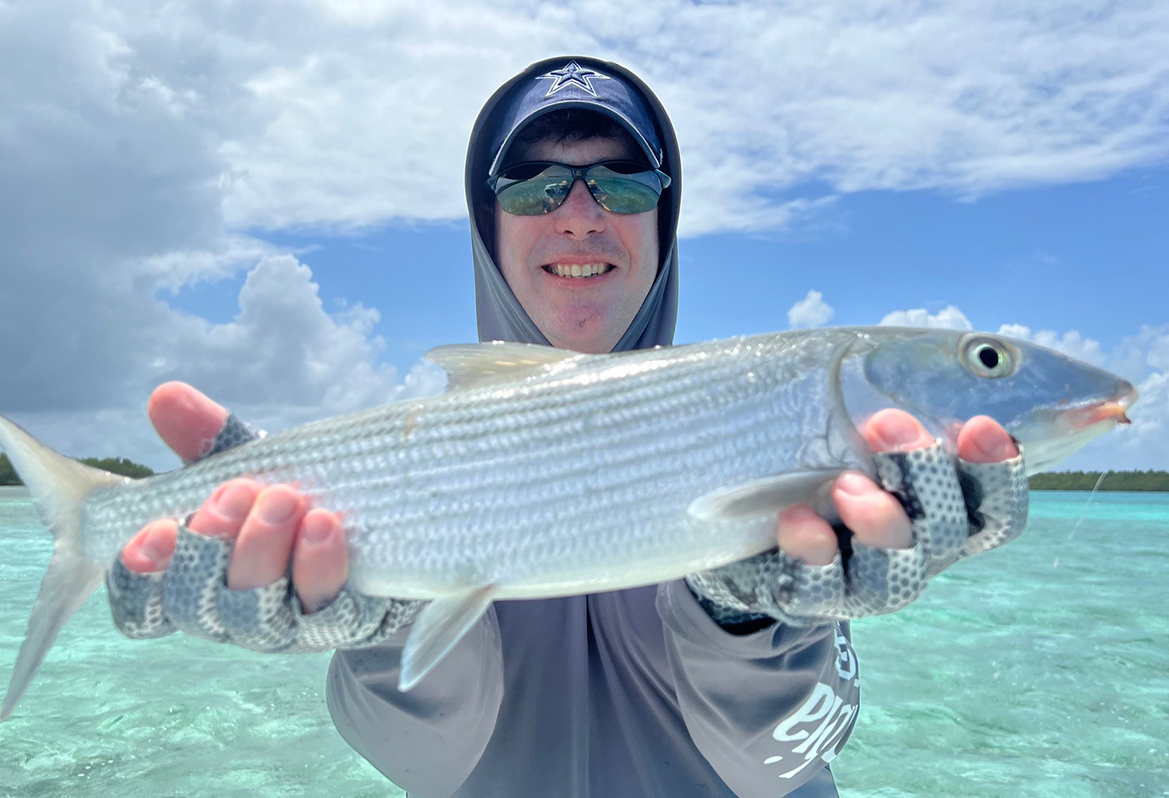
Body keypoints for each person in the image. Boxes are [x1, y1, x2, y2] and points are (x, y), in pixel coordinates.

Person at [109, 57, 1027, 797]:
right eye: (535, 185)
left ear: (665, 225)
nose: (582, 214)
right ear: (487, 226)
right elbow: (423, 765)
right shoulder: (402, 462)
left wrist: (753, 616)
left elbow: (779, 767)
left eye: (624, 187)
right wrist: (378, 624)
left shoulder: (772, 432)